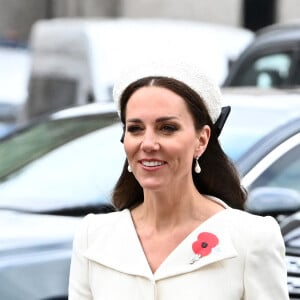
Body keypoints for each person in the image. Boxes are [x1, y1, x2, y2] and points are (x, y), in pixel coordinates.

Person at [68, 60, 289, 299]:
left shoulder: (251, 238)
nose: (149, 144)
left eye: (167, 128)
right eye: (135, 128)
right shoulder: (93, 236)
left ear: (202, 140)